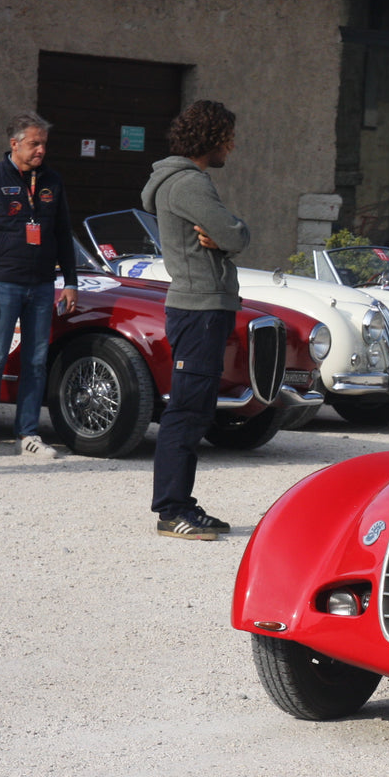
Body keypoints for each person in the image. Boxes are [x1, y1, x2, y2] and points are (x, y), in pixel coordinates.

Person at [143, 100, 249, 541]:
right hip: (199, 309)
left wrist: (222, 236)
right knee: (186, 411)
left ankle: (182, 503)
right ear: (211, 138)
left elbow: (223, 235)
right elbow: (236, 235)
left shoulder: (190, 182)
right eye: (228, 136)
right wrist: (228, 235)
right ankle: (171, 510)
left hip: (207, 307)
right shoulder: (188, 185)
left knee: (197, 408)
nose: (232, 145)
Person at [0, 112, 78, 460]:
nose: (41, 150)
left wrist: (70, 282)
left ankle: (27, 433)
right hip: (2, 284)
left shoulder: (52, 181)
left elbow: (62, 234)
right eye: (34, 144)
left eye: (44, 143)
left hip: (42, 285)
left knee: (36, 361)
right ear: (14, 144)